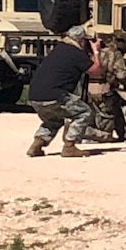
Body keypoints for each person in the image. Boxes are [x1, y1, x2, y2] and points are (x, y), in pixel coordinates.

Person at [26, 25, 97, 158]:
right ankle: (69, 146)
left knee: (54, 120)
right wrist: (96, 51)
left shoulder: (59, 49)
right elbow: (96, 70)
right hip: (55, 95)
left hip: (35, 95)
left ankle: (37, 144)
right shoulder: (75, 53)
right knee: (84, 112)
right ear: (81, 40)